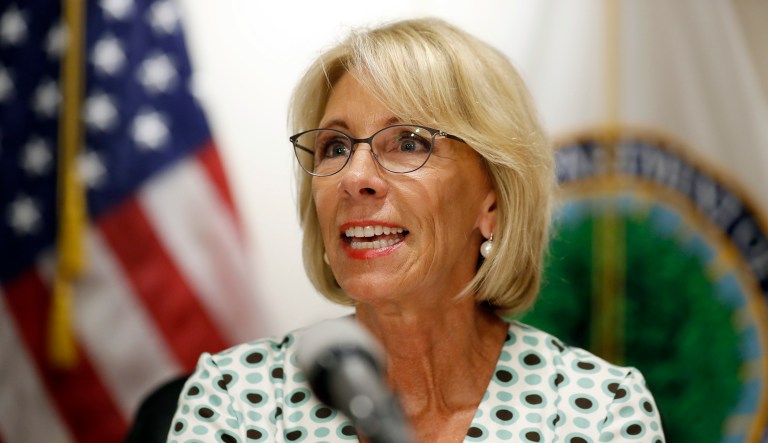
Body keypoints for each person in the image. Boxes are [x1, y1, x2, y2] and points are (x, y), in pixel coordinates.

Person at [167, 18, 665, 442]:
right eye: (335, 147)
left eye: (407, 142)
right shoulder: (234, 398)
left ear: (492, 204)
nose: (355, 178)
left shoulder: (597, 411)